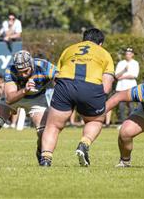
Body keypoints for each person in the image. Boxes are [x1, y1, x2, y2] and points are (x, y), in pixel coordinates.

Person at [40, 28, 114, 167]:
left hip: (65, 85)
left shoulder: (68, 49)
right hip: (91, 87)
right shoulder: (105, 54)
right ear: (101, 43)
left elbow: (56, 76)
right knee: (96, 120)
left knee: (53, 125)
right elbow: (106, 87)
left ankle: (45, 159)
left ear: (83, 39)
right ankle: (84, 143)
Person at [112, 47, 139, 123]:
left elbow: (134, 75)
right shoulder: (121, 63)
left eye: (129, 54)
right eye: (126, 54)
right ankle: (122, 122)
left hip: (131, 87)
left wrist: (123, 76)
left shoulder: (135, 63)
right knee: (121, 106)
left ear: (132, 55)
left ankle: (131, 122)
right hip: (121, 87)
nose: (127, 55)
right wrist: (124, 70)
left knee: (131, 105)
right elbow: (116, 76)